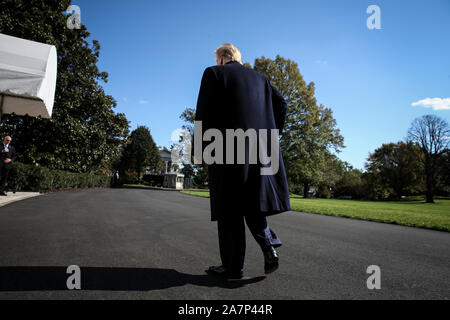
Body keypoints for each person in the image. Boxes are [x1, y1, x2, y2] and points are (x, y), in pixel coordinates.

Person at [194, 44, 291, 279]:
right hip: (260, 149)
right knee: (252, 201)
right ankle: (268, 246)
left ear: (221, 59)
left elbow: (203, 112)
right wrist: (269, 132)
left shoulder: (213, 73)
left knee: (230, 209)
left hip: (226, 146)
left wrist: (199, 151)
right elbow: (282, 104)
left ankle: (233, 266)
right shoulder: (261, 79)